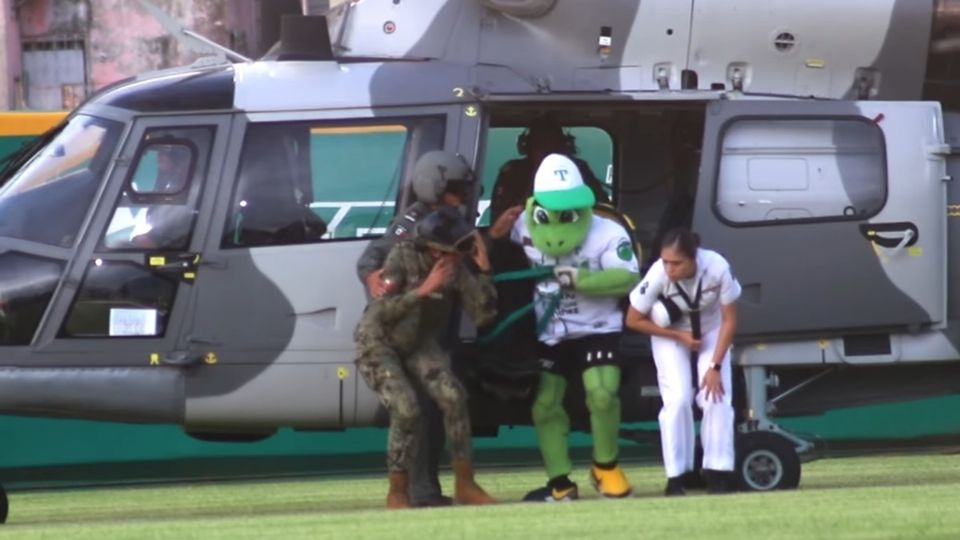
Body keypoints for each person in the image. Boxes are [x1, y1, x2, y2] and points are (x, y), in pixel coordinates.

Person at [489, 153, 640, 502]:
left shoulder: (609, 231)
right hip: (549, 331)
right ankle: (559, 483)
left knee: (602, 394)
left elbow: (629, 278)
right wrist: (495, 236)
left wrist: (582, 280)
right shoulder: (521, 225)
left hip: (597, 326)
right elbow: (492, 259)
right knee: (544, 404)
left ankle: (606, 467)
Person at [355, 150, 479, 507]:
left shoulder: (449, 220)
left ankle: (437, 487)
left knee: (445, 402)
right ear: (435, 189)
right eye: (455, 189)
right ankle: (419, 490)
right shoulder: (413, 223)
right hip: (400, 329)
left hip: (427, 329)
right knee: (417, 409)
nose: (463, 197)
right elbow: (370, 259)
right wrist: (373, 277)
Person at [624, 228, 741, 496]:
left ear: (693, 258)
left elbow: (730, 320)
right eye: (665, 261)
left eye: (676, 263)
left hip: (712, 329)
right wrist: (677, 335)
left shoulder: (717, 268)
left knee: (716, 397)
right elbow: (633, 320)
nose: (669, 268)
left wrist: (714, 367)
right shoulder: (657, 274)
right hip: (672, 334)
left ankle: (718, 471)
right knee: (677, 400)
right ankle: (677, 475)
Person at [489, 116, 609, 223]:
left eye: (553, 145)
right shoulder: (513, 173)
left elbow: (603, 211)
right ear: (528, 147)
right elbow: (499, 223)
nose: (546, 151)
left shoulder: (578, 169)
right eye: (540, 144)